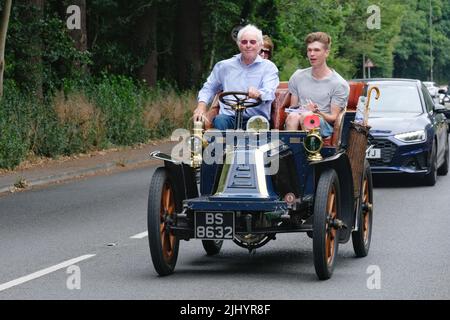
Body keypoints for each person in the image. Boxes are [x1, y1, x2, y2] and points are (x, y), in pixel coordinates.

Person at [193, 25, 279, 130]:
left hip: (256, 119)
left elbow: (269, 91)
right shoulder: (224, 66)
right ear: (239, 45)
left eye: (252, 42)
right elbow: (209, 87)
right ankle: (221, 144)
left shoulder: (269, 67)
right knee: (219, 120)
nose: (248, 45)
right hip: (229, 117)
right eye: (244, 42)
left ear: (260, 45)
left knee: (258, 125)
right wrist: (201, 106)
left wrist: (259, 93)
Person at [285, 32, 349, 137]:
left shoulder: (339, 83)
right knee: (293, 116)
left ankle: (312, 152)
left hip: (324, 124)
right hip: (299, 118)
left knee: (307, 116)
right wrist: (298, 110)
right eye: (309, 50)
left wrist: (316, 112)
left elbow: (334, 118)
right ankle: (291, 151)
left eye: (316, 50)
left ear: (326, 53)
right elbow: (293, 108)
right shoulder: (297, 76)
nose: (312, 54)